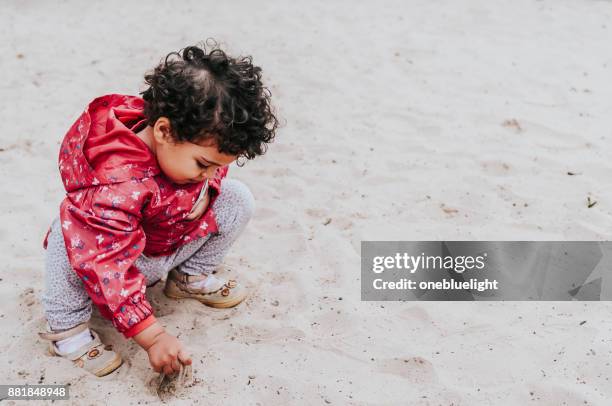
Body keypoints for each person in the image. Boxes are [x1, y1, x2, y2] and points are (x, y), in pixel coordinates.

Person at [38, 42, 278, 377]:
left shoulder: (186, 145)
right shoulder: (114, 184)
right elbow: (106, 264)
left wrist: (208, 186)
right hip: (109, 265)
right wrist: (153, 337)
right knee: (70, 233)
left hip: (160, 245)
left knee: (238, 198)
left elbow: (210, 172)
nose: (210, 173)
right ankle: (67, 330)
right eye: (204, 164)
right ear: (164, 130)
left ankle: (187, 277)